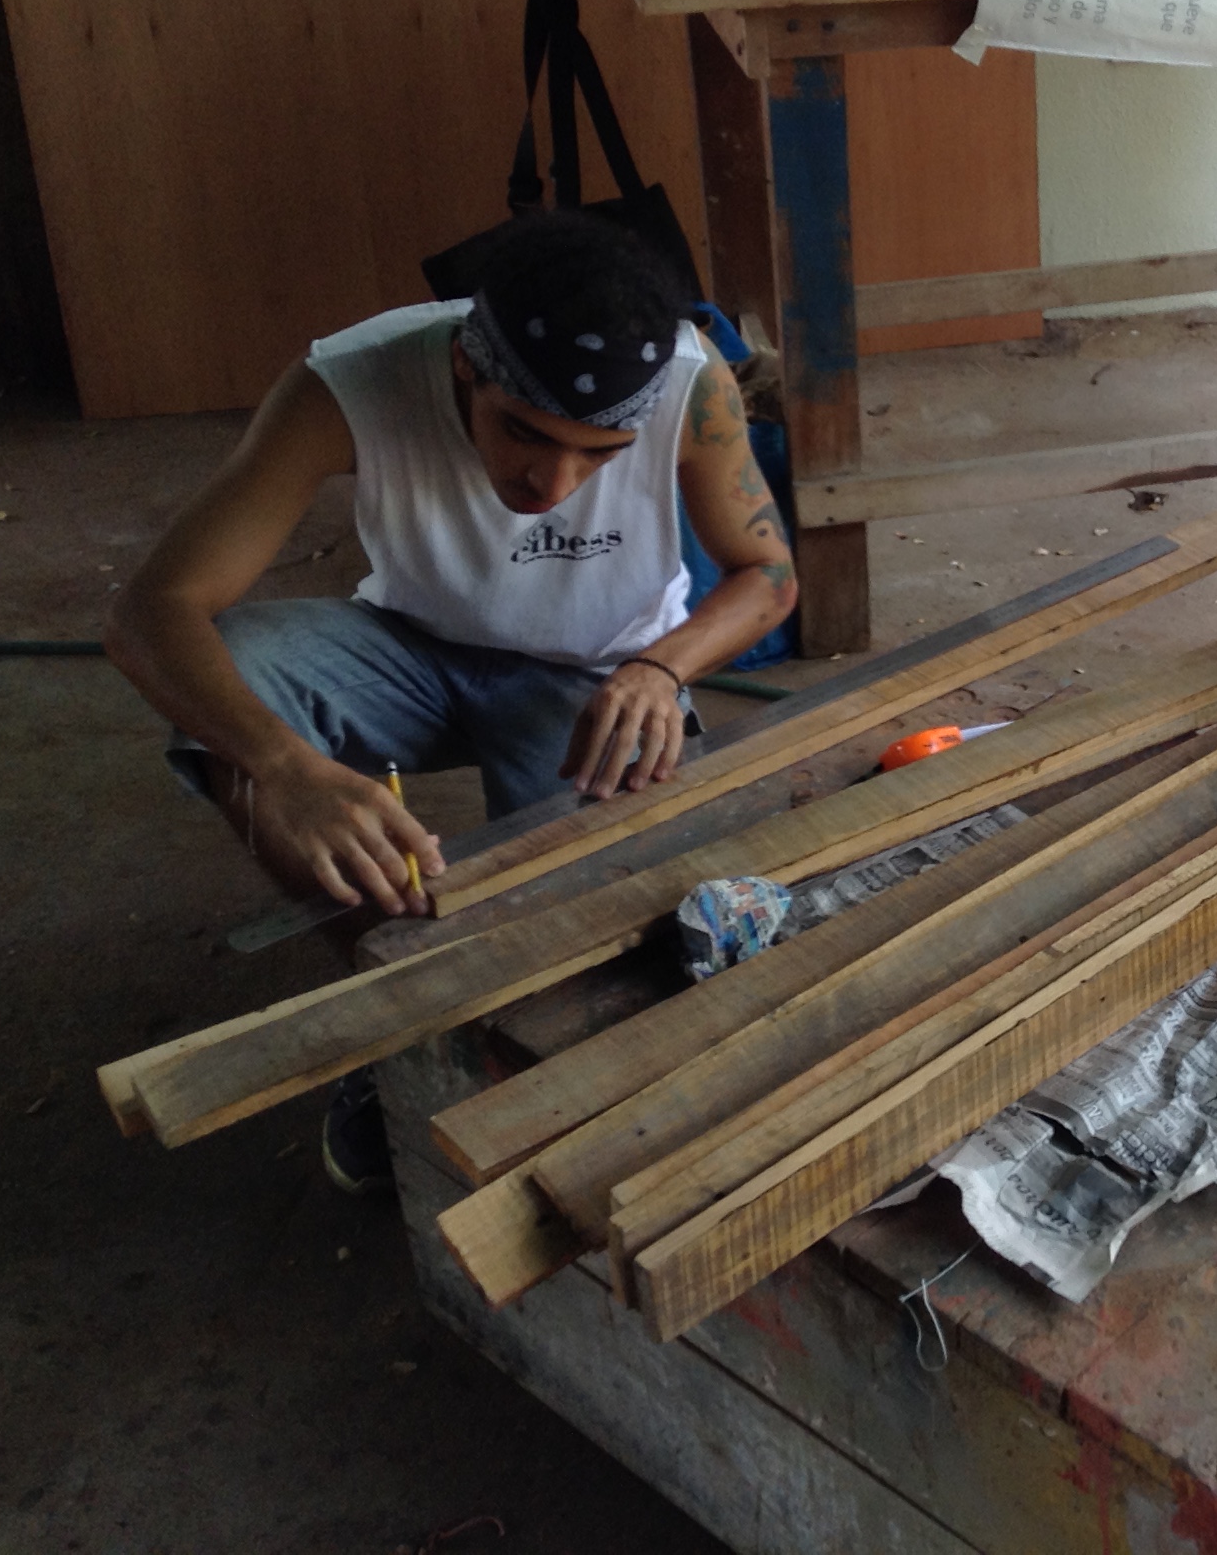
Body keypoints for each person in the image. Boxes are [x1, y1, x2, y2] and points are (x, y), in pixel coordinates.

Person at [107, 213, 797, 1187]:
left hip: (598, 674)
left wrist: (662, 667)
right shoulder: (348, 383)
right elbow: (152, 612)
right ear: (467, 369)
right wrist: (285, 767)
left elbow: (767, 574)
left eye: (599, 454)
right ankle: (400, 1020)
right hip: (413, 649)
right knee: (238, 688)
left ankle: (497, 1034)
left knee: (582, 931)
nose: (553, 482)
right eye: (524, 432)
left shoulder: (690, 384)